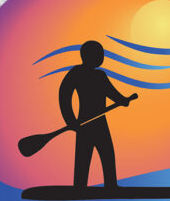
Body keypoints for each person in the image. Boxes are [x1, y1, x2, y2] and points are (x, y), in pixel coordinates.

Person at [55, 40, 133, 190]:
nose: (102, 57)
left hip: (100, 122)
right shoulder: (76, 73)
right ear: (88, 56)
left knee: (107, 154)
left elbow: (111, 92)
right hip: (84, 122)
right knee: (84, 155)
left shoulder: (100, 75)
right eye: (99, 54)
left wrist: (122, 100)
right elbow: (64, 96)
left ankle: (111, 185)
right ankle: (79, 186)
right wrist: (70, 119)